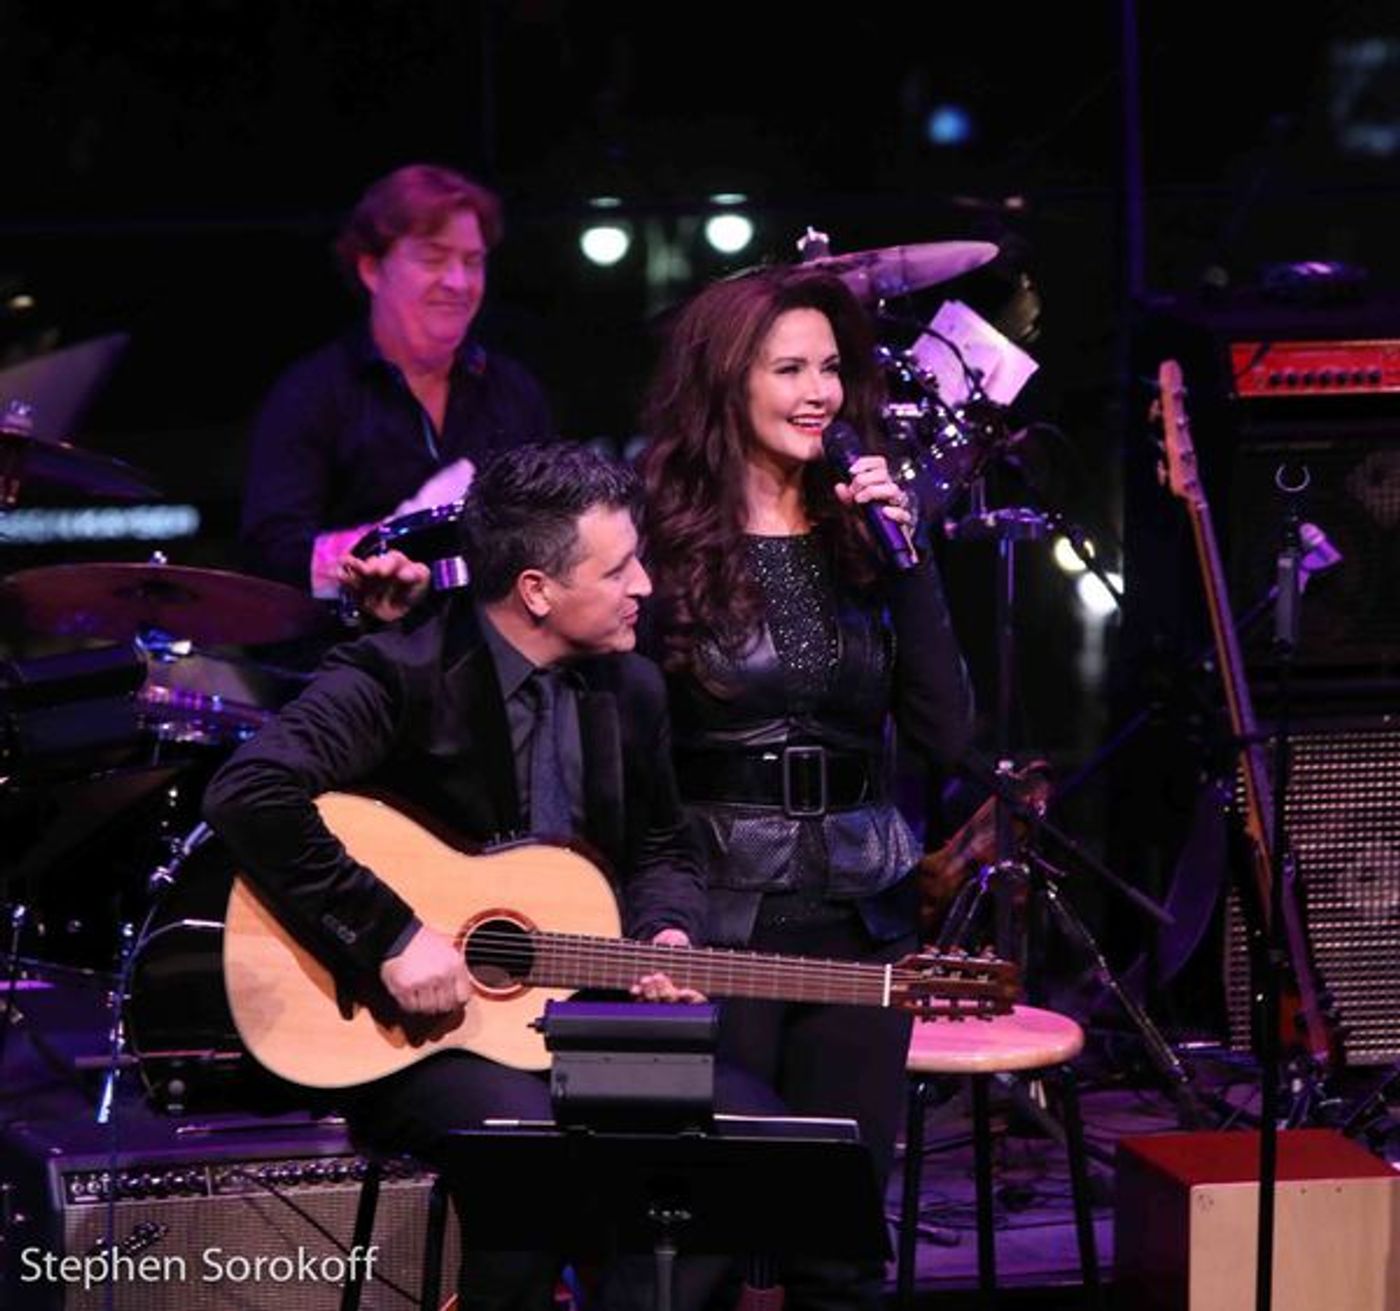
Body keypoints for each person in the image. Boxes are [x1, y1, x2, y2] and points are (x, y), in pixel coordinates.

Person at [204, 442, 706, 1311]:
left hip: (575, 1017)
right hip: (412, 1030)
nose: (646, 586)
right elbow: (249, 791)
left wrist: (665, 929)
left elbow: (664, 846)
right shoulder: (401, 671)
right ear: (537, 590)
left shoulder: (633, 690)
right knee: (527, 1157)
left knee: (734, 1145)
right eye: (619, 567)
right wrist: (393, 933)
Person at [640, 267, 975, 1311]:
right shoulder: (659, 541)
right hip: (720, 926)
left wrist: (907, 558)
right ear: (726, 380)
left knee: (839, 1250)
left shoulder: (865, 539)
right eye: (788, 368)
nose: (818, 391)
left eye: (830, 368)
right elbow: (628, 755)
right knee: (697, 1248)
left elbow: (948, 735)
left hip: (858, 922)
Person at [240, 162, 553, 607]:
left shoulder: (515, 391)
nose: (459, 283)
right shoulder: (310, 394)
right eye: (433, 259)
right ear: (372, 269)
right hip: (356, 645)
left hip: (492, 645)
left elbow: (551, 529)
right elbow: (271, 555)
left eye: (473, 262)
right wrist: (392, 549)